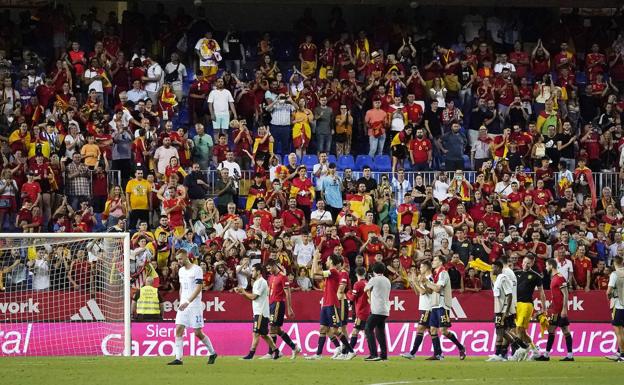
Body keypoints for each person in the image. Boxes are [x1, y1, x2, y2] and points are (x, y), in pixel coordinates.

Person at [167, 250, 217, 365]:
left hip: (194, 305)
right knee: (179, 328)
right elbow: (181, 288)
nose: (178, 261)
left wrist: (188, 301)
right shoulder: (180, 271)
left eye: (180, 259)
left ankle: (213, 352)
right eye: (177, 259)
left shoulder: (197, 269)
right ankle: (178, 358)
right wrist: (181, 301)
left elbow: (199, 288)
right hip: (183, 304)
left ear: (186, 257)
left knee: (197, 332)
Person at [235, 263, 281, 360]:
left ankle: (251, 354)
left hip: (261, 312)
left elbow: (254, 297)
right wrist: (242, 293)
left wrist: (243, 291)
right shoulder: (257, 282)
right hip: (259, 311)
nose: (252, 272)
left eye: (253, 270)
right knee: (264, 335)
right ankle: (276, 351)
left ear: (259, 272)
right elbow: (251, 297)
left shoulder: (261, 282)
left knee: (256, 333)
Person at [425, 255, 466, 360]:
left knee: (443, 331)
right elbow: (431, 290)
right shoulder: (435, 274)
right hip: (434, 304)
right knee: (433, 329)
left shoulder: (443, 273)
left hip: (442, 305)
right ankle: (438, 354)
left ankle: (461, 347)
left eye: (435, 260)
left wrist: (427, 283)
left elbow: (438, 289)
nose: (433, 261)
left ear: (441, 262)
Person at [306, 252, 346, 360]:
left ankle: (347, 350)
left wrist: (315, 258)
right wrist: (315, 260)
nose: (326, 261)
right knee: (323, 328)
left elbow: (316, 272)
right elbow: (314, 275)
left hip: (332, 303)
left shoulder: (333, 272)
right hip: (326, 303)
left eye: (327, 260)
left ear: (331, 261)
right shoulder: (329, 273)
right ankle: (319, 354)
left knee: (334, 330)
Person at [535, 258, 574, 361]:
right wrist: (550, 305)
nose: (546, 268)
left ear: (551, 266)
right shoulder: (554, 278)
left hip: (560, 310)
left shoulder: (560, 277)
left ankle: (569, 355)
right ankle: (547, 355)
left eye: (547, 266)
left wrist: (564, 310)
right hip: (555, 310)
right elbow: (556, 295)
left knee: (565, 331)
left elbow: (566, 294)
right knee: (552, 330)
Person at [263, 260, 301, 359]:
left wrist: (289, 308)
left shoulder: (283, 277)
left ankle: (271, 352)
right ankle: (294, 347)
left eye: (269, 268)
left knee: (272, 328)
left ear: (275, 266)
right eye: (267, 269)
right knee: (278, 330)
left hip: (278, 304)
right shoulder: (271, 277)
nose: (268, 270)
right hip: (271, 304)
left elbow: (287, 293)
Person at [401, 260, 435, 359]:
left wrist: (416, 282)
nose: (420, 269)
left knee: (420, 328)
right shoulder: (424, 278)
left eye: (421, 267)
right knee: (431, 331)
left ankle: (412, 353)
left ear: (426, 268)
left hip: (428, 307)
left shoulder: (430, 278)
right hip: (424, 307)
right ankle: (439, 352)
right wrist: (413, 283)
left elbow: (425, 292)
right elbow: (418, 293)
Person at [515, 255, 547, 360]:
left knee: (519, 328)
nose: (525, 264)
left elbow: (541, 293)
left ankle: (519, 351)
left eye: (528, 263)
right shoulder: (516, 273)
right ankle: (534, 350)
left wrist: (544, 308)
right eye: (524, 262)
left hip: (526, 304)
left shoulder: (535, 276)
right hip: (516, 305)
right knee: (522, 331)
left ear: (532, 263)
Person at [363, 262, 391, 361]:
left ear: (374, 271)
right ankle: (383, 355)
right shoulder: (387, 280)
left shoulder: (373, 279)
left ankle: (373, 354)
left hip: (376, 309)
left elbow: (365, 289)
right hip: (385, 310)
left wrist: (368, 282)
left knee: (368, 329)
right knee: (380, 332)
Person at [347, 266, 370, 355]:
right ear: (365, 274)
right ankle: (373, 352)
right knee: (366, 332)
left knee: (355, 331)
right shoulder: (367, 283)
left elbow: (352, 297)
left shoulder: (357, 284)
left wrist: (347, 292)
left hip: (361, 312)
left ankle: (350, 352)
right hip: (367, 310)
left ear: (356, 274)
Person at [605, 255, 624, 361]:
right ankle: (618, 352)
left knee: (619, 331)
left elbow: (609, 291)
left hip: (618, 304)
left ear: (614, 263)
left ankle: (622, 355)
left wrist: (609, 297)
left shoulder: (614, 274)